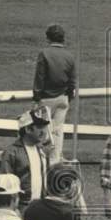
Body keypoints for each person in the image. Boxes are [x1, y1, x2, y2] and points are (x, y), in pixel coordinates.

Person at [32, 23, 75, 163]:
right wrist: (69, 95)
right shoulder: (69, 56)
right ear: (63, 39)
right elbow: (72, 79)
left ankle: (42, 159)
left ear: (48, 38)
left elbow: (40, 77)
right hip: (63, 97)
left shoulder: (44, 53)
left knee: (43, 129)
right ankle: (55, 159)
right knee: (58, 130)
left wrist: (36, 96)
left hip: (46, 98)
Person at [0, 106, 52, 211]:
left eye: (45, 127)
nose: (45, 131)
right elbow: (6, 185)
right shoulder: (11, 153)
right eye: (40, 127)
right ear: (28, 129)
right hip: (22, 208)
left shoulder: (42, 150)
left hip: (41, 206)